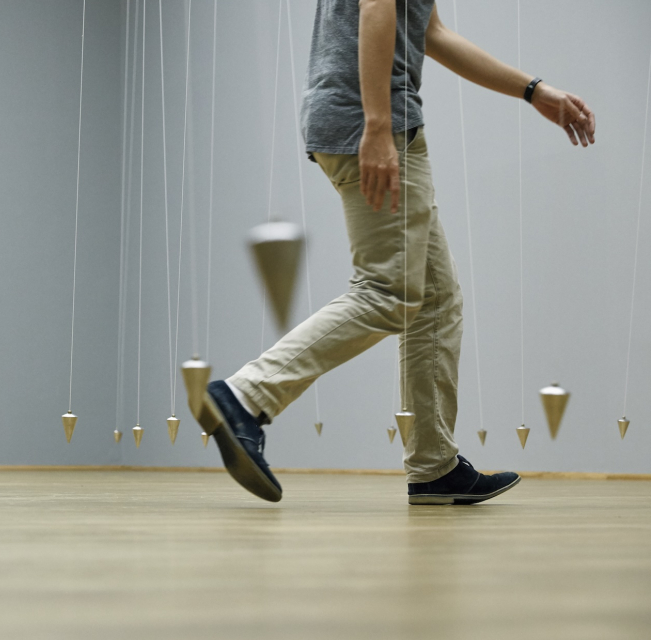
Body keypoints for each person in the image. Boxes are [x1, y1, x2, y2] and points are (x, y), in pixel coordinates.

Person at [190, 0, 596, 504]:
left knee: (435, 299)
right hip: (372, 124)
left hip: (358, 118)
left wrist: (533, 91)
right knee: (387, 292)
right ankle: (246, 395)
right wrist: (378, 127)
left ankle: (435, 466)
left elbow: (432, 32)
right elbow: (377, 5)